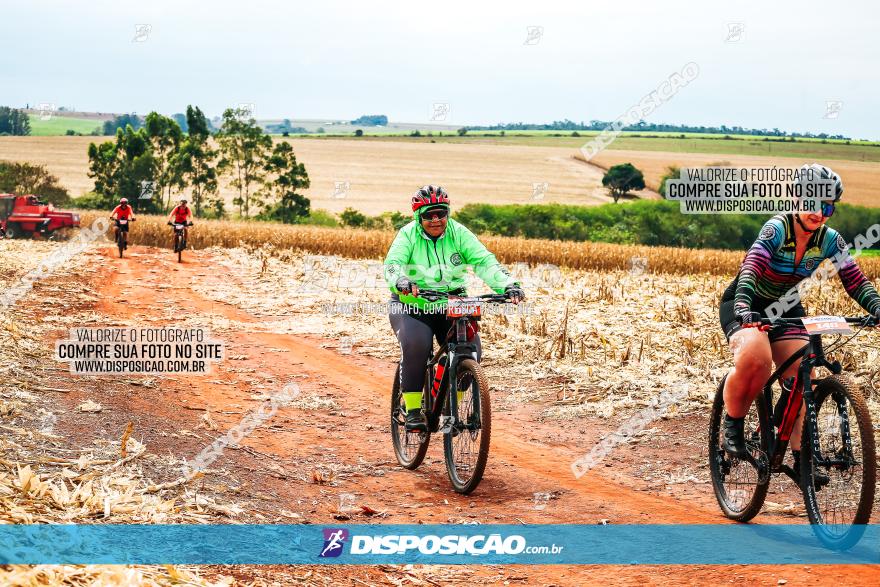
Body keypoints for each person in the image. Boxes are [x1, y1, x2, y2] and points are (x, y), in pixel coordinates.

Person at [719, 163, 880, 482]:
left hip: (788, 308)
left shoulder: (831, 240)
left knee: (803, 373)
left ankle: (801, 458)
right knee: (757, 359)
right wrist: (744, 307)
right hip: (746, 303)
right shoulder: (777, 229)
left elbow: (854, 280)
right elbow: (751, 268)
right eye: (812, 201)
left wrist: (876, 305)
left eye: (827, 205)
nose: (819, 211)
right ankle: (732, 426)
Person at [384, 185, 525, 430]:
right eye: (429, 215)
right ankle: (414, 409)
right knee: (417, 344)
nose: (435, 220)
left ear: (447, 213)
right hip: (412, 304)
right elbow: (393, 264)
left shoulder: (459, 233)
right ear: (419, 217)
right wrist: (401, 281)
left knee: (471, 352)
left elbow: (484, 262)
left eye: (440, 213)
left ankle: (449, 404)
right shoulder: (407, 235)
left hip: (453, 303)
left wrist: (508, 285)